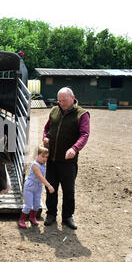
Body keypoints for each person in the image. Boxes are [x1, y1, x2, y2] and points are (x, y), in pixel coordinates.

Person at [42, 87, 90, 229]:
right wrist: (45, 137)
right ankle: (51, 214)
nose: (61, 103)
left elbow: (85, 134)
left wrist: (74, 148)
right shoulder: (54, 111)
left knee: (68, 190)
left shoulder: (82, 114)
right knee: (51, 188)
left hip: (68, 161)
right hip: (52, 159)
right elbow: (47, 128)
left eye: (64, 100)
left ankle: (67, 217)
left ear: (72, 97)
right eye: (59, 100)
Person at [18, 145, 54, 228]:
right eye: (42, 156)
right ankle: (22, 219)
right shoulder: (35, 165)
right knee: (28, 205)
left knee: (37, 204)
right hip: (30, 186)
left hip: (38, 186)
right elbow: (40, 177)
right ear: (37, 156)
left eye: (46, 157)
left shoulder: (42, 164)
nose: (44, 159)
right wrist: (49, 186)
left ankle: (32, 217)